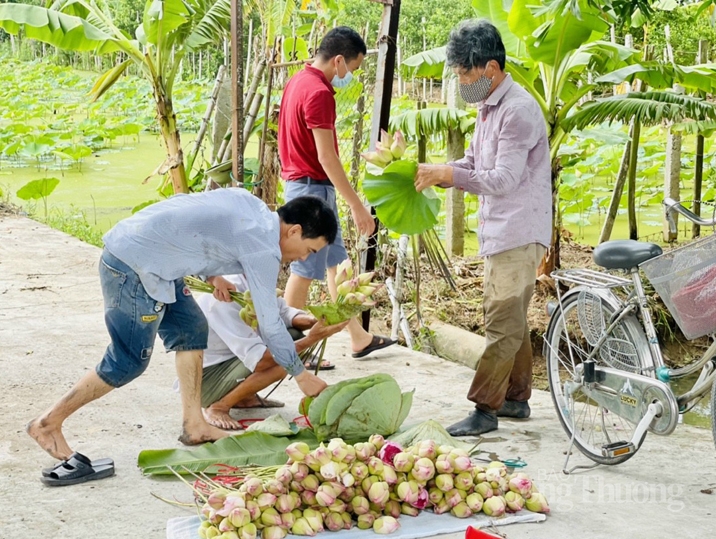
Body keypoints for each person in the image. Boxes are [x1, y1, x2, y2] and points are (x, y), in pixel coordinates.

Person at [26, 189, 338, 471]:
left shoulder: (251, 206)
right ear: (294, 231)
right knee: (128, 361)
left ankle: (194, 424)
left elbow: (194, 226)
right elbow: (270, 324)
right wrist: (300, 374)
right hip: (131, 267)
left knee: (191, 329)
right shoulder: (263, 249)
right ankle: (48, 422)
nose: (303, 258)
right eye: (309, 250)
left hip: (149, 256)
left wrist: (215, 276)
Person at [414, 19, 552, 437]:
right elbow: (473, 165)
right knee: (511, 318)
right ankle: (516, 397)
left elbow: (503, 179)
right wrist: (433, 170)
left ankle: (484, 408)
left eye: (464, 73)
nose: (460, 81)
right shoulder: (488, 109)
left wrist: (448, 176)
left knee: (501, 321)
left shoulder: (519, 111)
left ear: (489, 69)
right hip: (500, 230)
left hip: (519, 231)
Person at [278, 26, 395, 359]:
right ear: (339, 61)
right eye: (353, 69)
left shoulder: (297, 81)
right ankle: (289, 346)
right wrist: (357, 206)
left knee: (337, 266)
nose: (351, 76)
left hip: (301, 185)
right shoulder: (319, 92)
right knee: (305, 270)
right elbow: (326, 157)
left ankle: (357, 337)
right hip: (313, 190)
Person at [195, 273, 349, 430]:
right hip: (206, 380)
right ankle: (218, 407)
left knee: (293, 334)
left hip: (234, 361)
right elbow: (260, 360)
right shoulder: (225, 295)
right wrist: (311, 339)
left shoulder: (257, 279)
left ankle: (245, 398)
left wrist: (316, 321)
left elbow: (284, 313)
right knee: (282, 362)